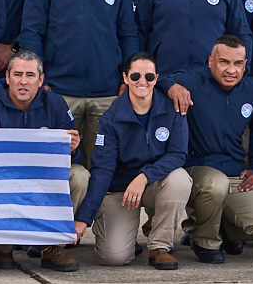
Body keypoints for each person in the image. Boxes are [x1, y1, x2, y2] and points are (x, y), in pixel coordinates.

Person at [19, 0, 139, 161]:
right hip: (59, 93)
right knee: (61, 165)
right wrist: (41, 80)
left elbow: (128, 34)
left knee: (102, 166)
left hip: (107, 93)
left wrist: (126, 78)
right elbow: (32, 34)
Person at [0, 49, 85, 272]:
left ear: (41, 80)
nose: (23, 81)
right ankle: (1, 247)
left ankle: (52, 245)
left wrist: (72, 150)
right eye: (18, 74)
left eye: (30, 75)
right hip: (5, 180)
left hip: (45, 178)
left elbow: (74, 159)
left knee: (80, 175)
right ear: (7, 77)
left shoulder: (56, 104)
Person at [75, 52, 192, 269]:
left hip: (154, 183)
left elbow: (178, 154)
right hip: (121, 190)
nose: (142, 82)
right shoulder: (111, 118)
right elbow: (103, 169)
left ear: (156, 79)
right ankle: (115, 230)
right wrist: (83, 219)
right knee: (114, 257)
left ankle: (159, 247)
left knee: (180, 180)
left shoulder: (172, 109)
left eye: (149, 76)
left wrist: (144, 176)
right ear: (125, 78)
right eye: (135, 75)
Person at [180, 35, 253, 262]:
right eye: (224, 62)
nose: (231, 70)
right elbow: (160, 81)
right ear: (210, 62)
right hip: (197, 170)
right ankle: (204, 240)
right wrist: (173, 87)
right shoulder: (191, 82)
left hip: (234, 173)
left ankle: (223, 229)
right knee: (216, 184)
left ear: (245, 65)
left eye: (238, 63)